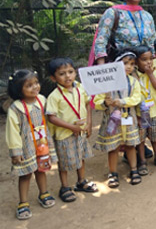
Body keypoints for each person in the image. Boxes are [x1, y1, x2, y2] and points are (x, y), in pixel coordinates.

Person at [6, 70, 57, 220]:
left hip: (42, 143)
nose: (35, 87)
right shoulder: (15, 108)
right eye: (29, 85)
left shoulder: (42, 100)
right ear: (18, 89)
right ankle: (23, 203)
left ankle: (44, 193)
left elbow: (50, 119)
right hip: (26, 146)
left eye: (36, 83)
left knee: (41, 169)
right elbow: (12, 131)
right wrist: (16, 151)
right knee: (26, 174)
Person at [46, 58, 97, 203]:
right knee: (65, 162)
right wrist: (72, 127)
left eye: (70, 72)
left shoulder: (80, 87)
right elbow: (52, 118)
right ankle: (65, 187)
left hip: (80, 131)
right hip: (64, 135)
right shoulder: (54, 96)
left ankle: (81, 181)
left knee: (80, 156)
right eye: (62, 74)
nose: (68, 76)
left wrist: (89, 123)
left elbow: (87, 104)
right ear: (53, 78)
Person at [93, 49, 143, 187]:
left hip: (128, 118)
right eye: (125, 63)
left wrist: (122, 102)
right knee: (113, 147)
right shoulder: (106, 83)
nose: (129, 66)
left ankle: (134, 170)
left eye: (132, 64)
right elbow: (97, 101)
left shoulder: (133, 81)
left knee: (130, 145)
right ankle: (113, 173)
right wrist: (105, 103)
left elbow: (137, 97)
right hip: (112, 120)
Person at [91, 0, 156, 65]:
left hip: (143, 68)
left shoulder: (147, 16)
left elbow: (153, 43)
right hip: (121, 66)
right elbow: (101, 41)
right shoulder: (113, 13)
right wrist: (102, 69)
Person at [134, 45, 156, 172]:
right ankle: (142, 160)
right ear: (136, 62)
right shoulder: (133, 77)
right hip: (139, 114)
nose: (148, 62)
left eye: (150, 59)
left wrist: (150, 74)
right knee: (141, 139)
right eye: (144, 59)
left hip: (154, 112)